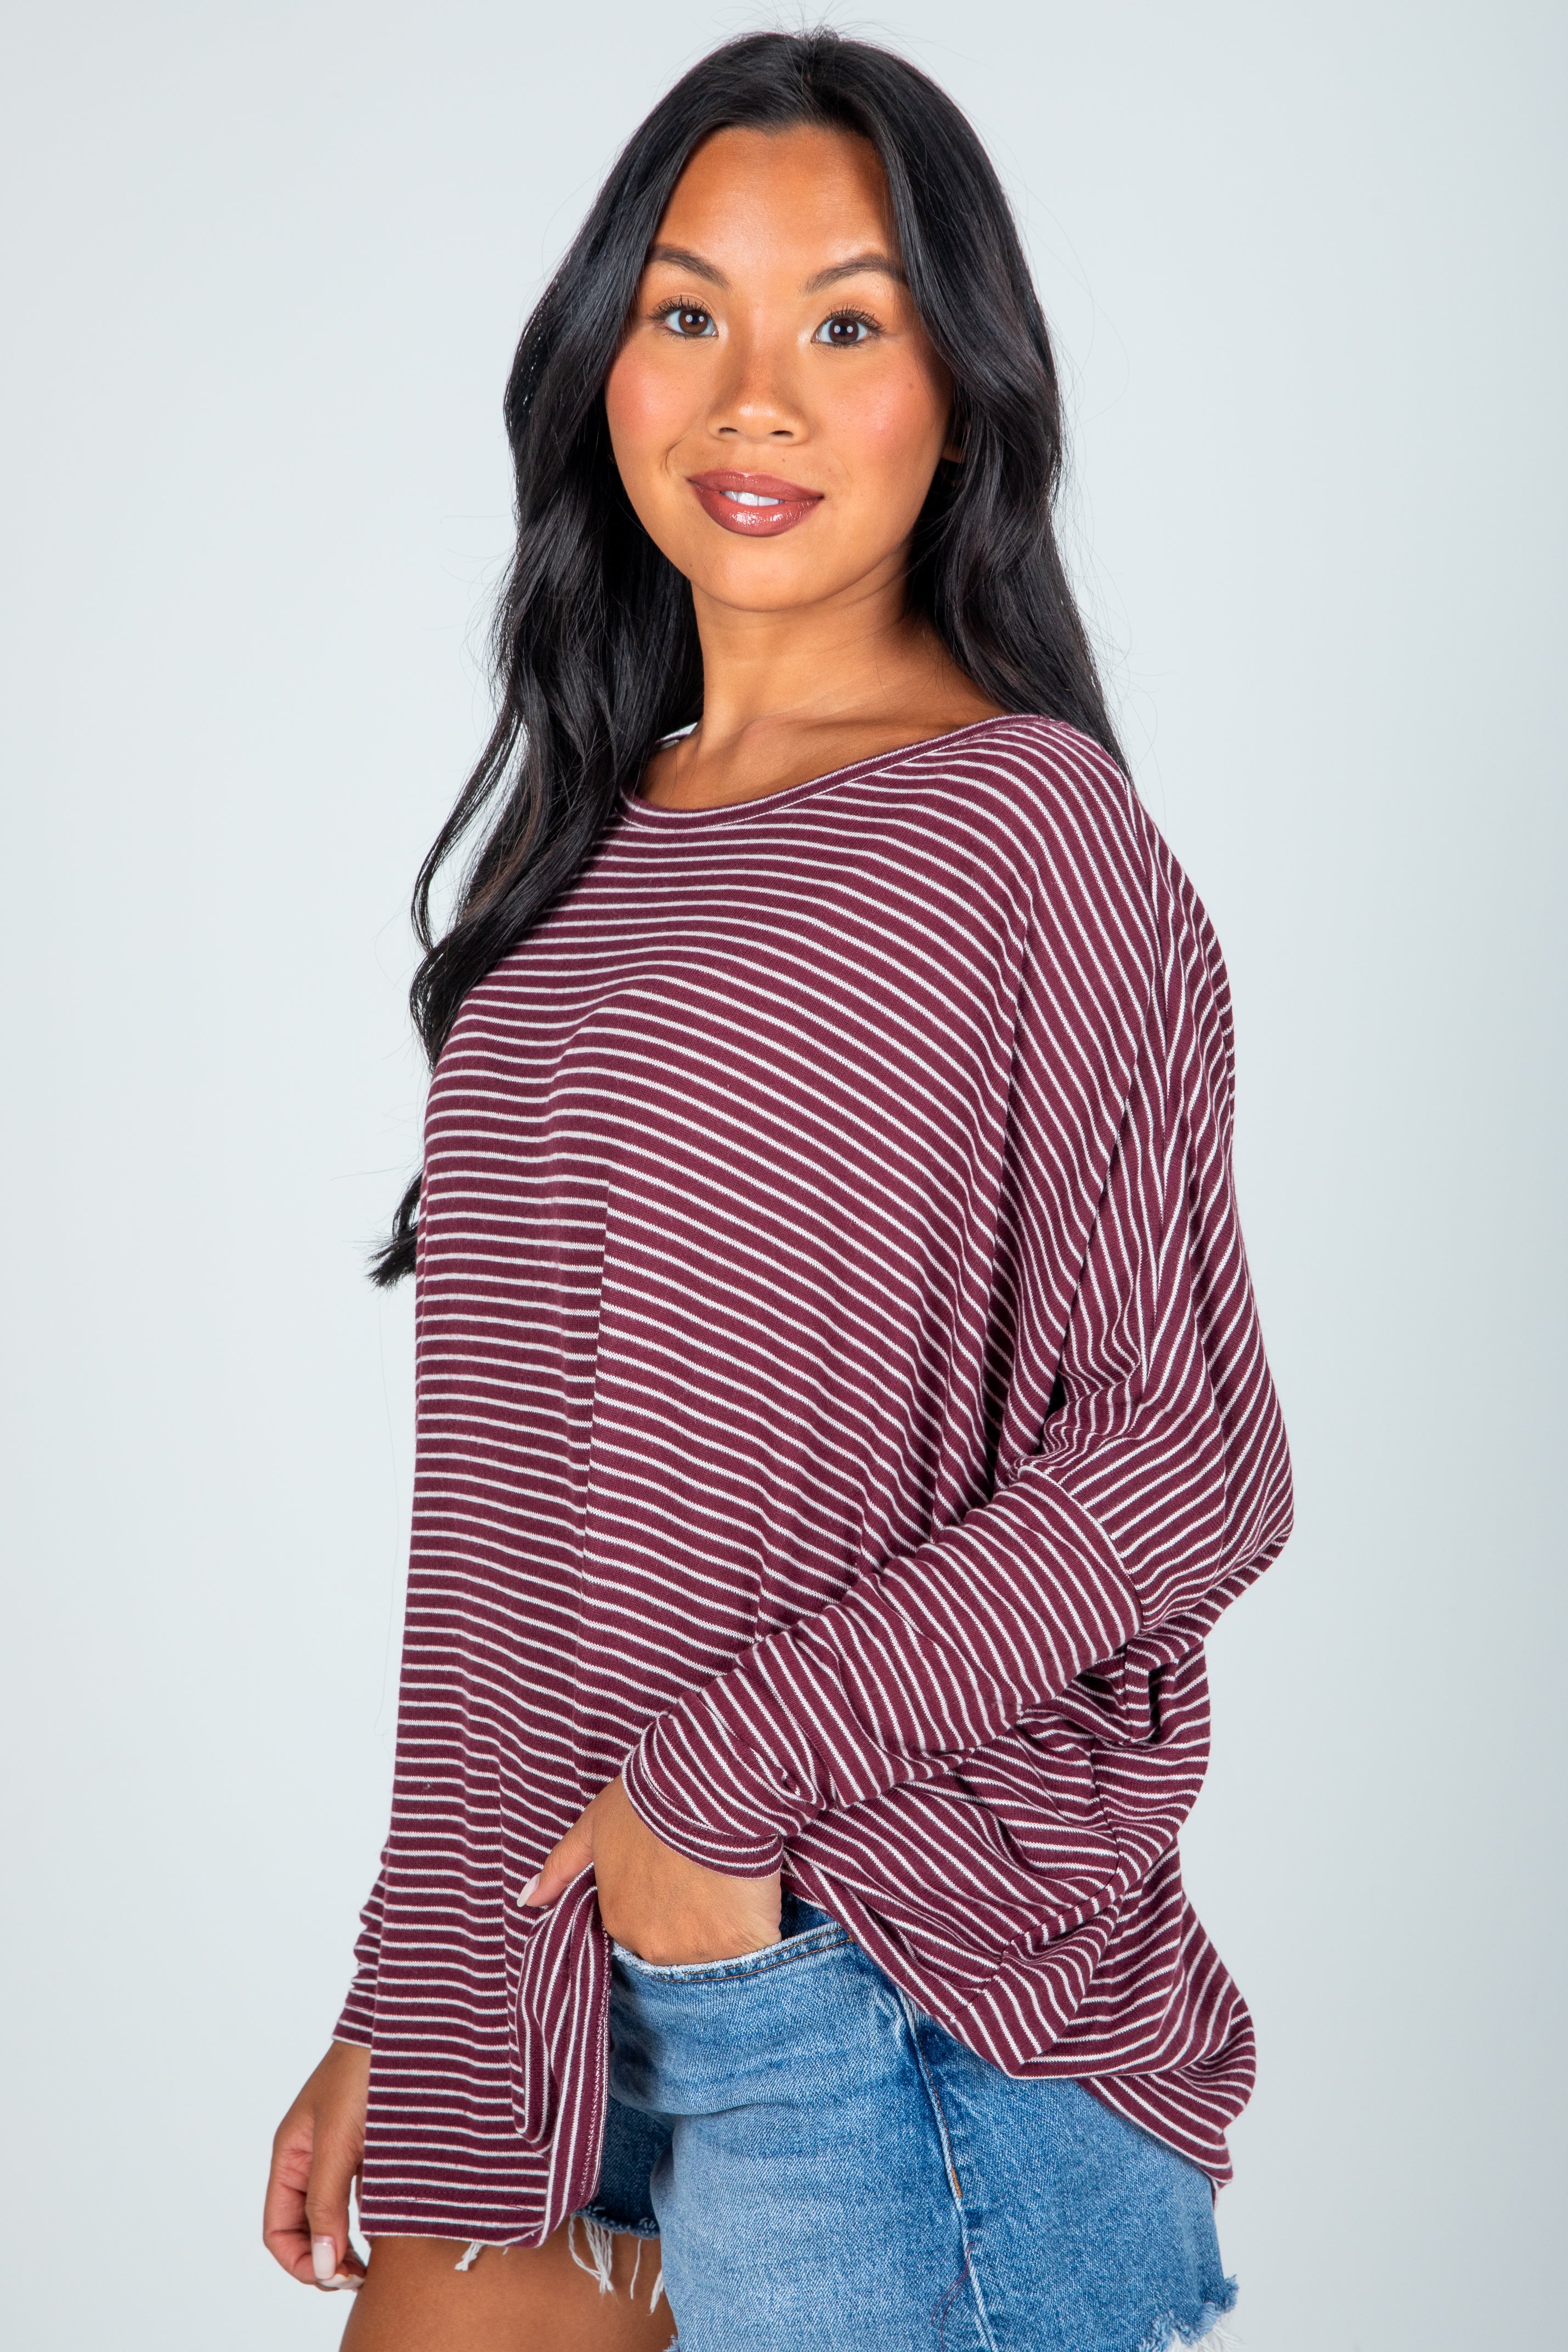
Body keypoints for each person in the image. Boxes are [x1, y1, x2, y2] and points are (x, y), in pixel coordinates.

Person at [263, 29, 1292, 2350]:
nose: (757, 394)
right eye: (685, 310)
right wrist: (404, 1983)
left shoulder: (1029, 833)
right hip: (537, 1975)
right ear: (603, 361)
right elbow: (528, 1502)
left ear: (961, 390)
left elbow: (1189, 1462)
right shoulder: (581, 859)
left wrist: (724, 1797)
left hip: (871, 1977)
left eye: (846, 320)